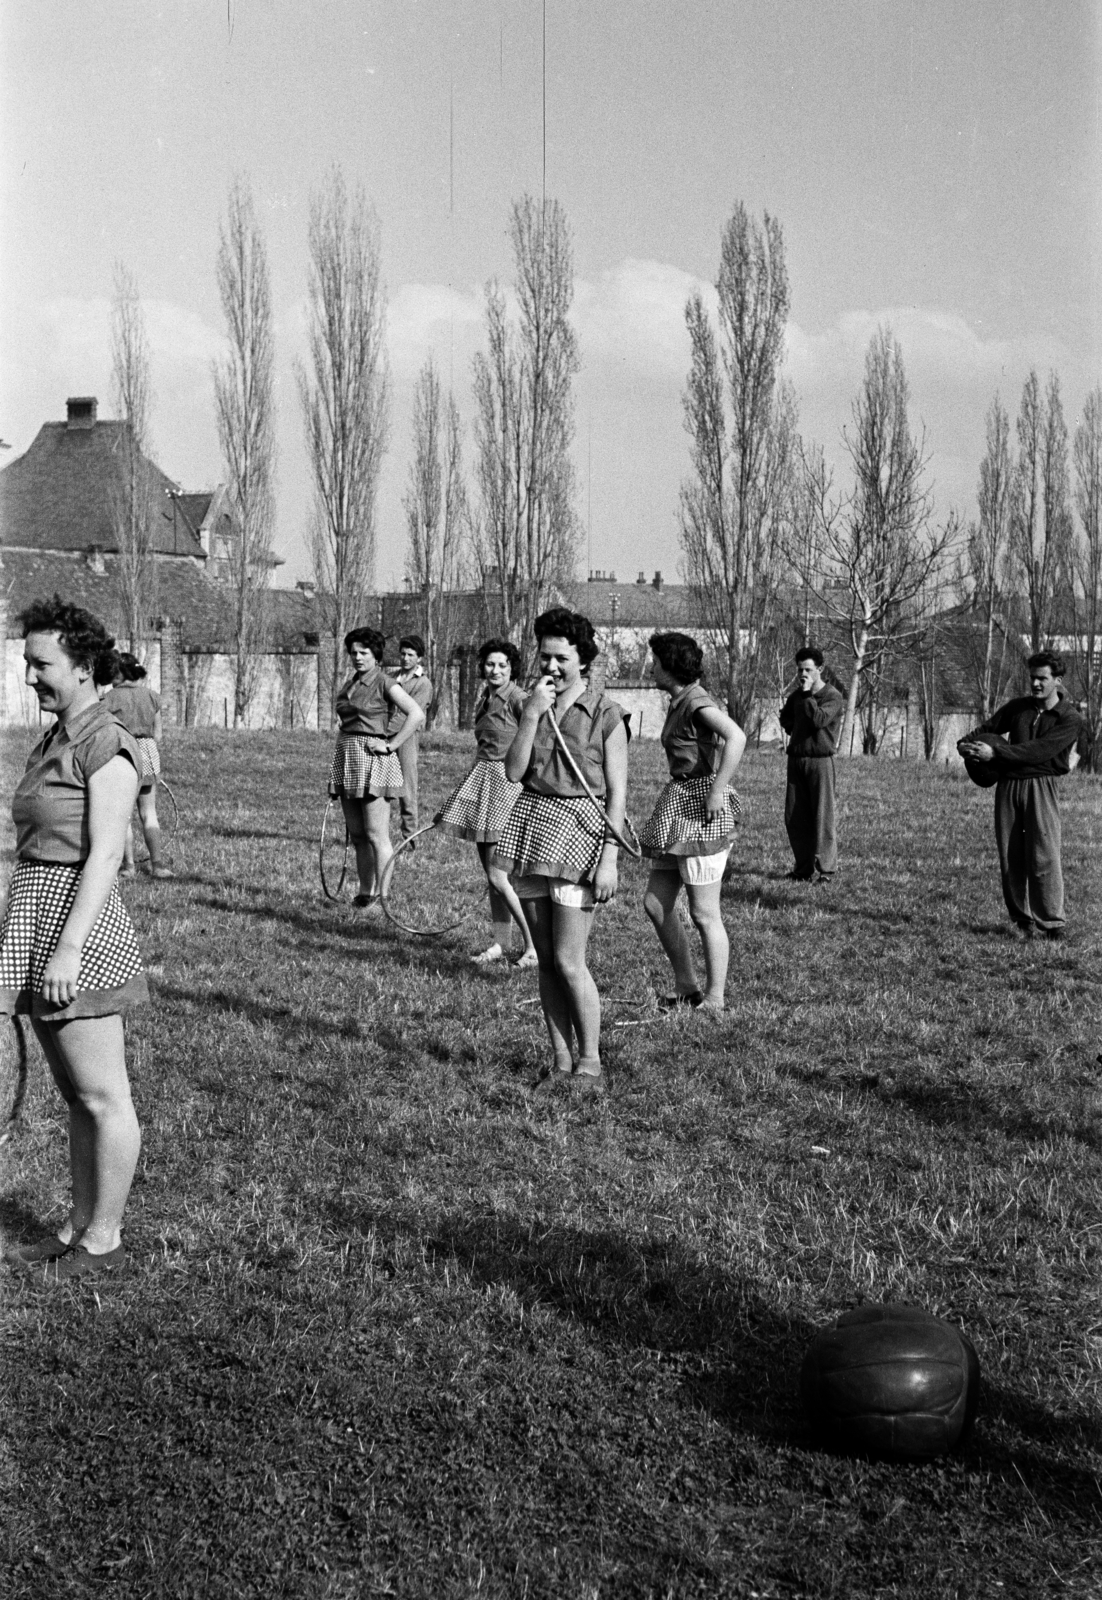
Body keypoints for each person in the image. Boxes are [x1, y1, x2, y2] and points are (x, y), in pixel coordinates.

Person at [1, 597, 148, 1281]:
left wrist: (67, 948)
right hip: (39, 911)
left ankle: (105, 1238)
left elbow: (104, 857)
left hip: (76, 925)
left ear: (85, 666)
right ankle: (78, 1223)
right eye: (28, 662)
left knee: (102, 1094)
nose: (30, 675)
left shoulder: (105, 743)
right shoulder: (59, 735)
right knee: (75, 1096)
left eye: (42, 664)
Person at [498, 607, 629, 1092]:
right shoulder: (533, 704)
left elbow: (617, 792)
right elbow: (514, 771)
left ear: (583, 658)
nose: (551, 667)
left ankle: (590, 1064)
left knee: (571, 960)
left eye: (562, 658)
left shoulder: (606, 714)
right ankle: (559, 1060)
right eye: (545, 656)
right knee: (548, 960)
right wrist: (531, 714)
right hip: (531, 827)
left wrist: (609, 858)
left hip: (580, 832)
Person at [640, 633, 746, 1012]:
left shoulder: (697, 700)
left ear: (670, 665)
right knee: (656, 903)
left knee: (704, 912)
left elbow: (736, 736)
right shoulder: (680, 700)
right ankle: (687, 986)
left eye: (655, 661)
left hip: (701, 811)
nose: (651, 667)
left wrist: (717, 790)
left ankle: (715, 998)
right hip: (678, 806)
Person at [957, 651, 1083, 940]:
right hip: (1008, 787)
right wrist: (966, 747)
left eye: (1043, 678)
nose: (1036, 684)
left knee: (1045, 855)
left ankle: (1052, 924)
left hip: (1041, 787)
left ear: (1058, 681)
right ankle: (1021, 920)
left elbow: (1038, 752)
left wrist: (996, 752)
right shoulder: (1017, 708)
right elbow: (983, 731)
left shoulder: (1069, 718)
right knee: (1011, 856)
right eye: (1033, 678)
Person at [434, 638, 537, 968]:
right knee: (493, 878)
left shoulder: (520, 699)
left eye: (502, 665)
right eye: (490, 664)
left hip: (507, 786)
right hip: (483, 784)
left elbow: (539, 739)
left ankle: (534, 946)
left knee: (499, 877)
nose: (495, 670)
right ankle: (501, 943)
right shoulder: (486, 698)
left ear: (513, 669)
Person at [330, 627, 425, 909]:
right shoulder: (351, 683)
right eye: (354, 653)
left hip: (374, 762)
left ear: (376, 655)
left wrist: (392, 744)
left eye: (364, 652)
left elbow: (416, 714)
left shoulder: (385, 682)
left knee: (375, 833)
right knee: (358, 835)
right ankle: (364, 893)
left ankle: (383, 898)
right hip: (348, 759)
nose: (358, 658)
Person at [98, 651, 174, 880]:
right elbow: (158, 735)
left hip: (121, 753)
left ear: (119, 674)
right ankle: (157, 865)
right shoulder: (152, 696)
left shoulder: (109, 698)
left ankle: (128, 866)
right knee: (149, 813)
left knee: (124, 816)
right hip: (148, 752)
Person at [779, 647, 845, 882]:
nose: (802, 674)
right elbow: (785, 716)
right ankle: (803, 868)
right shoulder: (796, 696)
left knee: (822, 815)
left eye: (808, 669)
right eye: (799, 669)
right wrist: (795, 728)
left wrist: (807, 695)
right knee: (795, 817)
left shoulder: (832, 696)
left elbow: (819, 720)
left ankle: (826, 870)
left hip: (820, 762)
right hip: (796, 760)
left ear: (820, 669)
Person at [386, 634, 434, 843]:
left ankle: (409, 838)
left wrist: (386, 731)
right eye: (403, 654)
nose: (405, 658)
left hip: (406, 738)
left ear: (419, 658)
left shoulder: (423, 684)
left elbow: (413, 715)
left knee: (407, 788)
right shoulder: (391, 677)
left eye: (411, 655)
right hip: (385, 737)